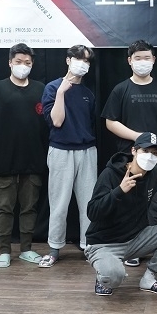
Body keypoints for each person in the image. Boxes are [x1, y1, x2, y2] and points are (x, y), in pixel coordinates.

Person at [101, 39, 157, 267]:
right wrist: (138, 136)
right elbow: (110, 122)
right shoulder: (121, 89)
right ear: (129, 61)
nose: (142, 62)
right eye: (138, 58)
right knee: (129, 202)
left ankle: (155, 247)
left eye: (147, 58)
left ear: (154, 60)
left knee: (155, 203)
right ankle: (131, 247)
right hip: (129, 159)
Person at [85, 132, 157, 296]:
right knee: (113, 277)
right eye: (145, 151)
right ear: (134, 151)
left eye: (155, 154)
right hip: (104, 243)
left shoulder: (155, 174)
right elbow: (92, 212)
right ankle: (104, 273)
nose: (149, 156)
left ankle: (149, 278)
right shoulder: (111, 174)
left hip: (136, 239)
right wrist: (118, 191)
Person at [0, 43, 47, 268]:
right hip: (4, 160)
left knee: (29, 208)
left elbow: (48, 125)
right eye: (18, 62)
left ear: (32, 64)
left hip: (33, 159)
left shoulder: (41, 89)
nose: (23, 66)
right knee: (4, 208)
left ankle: (26, 248)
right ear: (10, 62)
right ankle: (5, 250)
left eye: (27, 62)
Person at [38, 45, 97, 268]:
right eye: (79, 58)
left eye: (87, 61)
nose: (83, 64)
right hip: (61, 151)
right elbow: (56, 121)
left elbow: (89, 123)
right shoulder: (53, 87)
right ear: (68, 60)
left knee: (88, 203)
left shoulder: (88, 94)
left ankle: (88, 247)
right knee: (59, 203)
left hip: (87, 151)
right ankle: (54, 249)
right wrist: (62, 92)